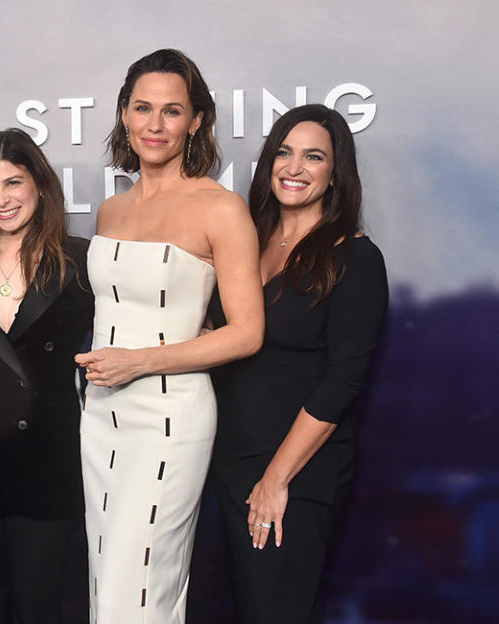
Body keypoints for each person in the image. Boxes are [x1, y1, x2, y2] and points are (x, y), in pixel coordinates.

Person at [73, 49, 264, 623]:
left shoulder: (221, 209)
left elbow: (248, 333)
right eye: (143, 108)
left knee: (141, 590)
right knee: (107, 585)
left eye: (172, 111)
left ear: (196, 120)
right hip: (101, 417)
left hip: (170, 421)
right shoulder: (111, 210)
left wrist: (140, 362)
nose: (155, 125)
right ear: (125, 116)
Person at [207, 104, 388, 623]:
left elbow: (343, 382)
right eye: (284, 152)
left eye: (314, 156)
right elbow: (228, 338)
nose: (295, 167)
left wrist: (276, 479)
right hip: (230, 460)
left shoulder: (355, 258)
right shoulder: (248, 244)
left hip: (294, 472)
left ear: (335, 175)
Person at [0, 129, 93, 623]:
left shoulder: (81, 260)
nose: (1, 200)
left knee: (38, 604)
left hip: (46, 460)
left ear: (40, 186)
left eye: (13, 183)